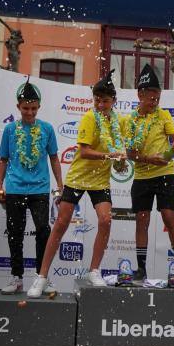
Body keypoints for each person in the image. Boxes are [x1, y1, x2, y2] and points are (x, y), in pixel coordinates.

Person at [27, 71, 126, 297]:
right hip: (78, 178)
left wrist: (120, 161)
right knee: (61, 224)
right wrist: (111, 157)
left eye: (105, 100)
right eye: (97, 100)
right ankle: (41, 277)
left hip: (100, 180)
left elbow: (120, 151)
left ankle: (94, 270)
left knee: (105, 220)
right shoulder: (90, 118)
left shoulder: (118, 121)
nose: (100, 104)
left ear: (114, 101)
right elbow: (85, 151)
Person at [0, 78, 62, 294]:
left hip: (40, 189)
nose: (30, 113)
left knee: (43, 230)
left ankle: (41, 276)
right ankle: (16, 277)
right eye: (26, 108)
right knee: (15, 232)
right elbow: (3, 159)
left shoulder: (47, 129)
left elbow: (53, 158)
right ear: (18, 107)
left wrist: (60, 186)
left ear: (39, 107)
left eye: (33, 108)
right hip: (14, 187)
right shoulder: (9, 130)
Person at [125, 64, 174, 287]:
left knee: (169, 217)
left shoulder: (164, 115)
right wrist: (149, 159)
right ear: (140, 94)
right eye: (151, 96)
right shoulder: (130, 120)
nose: (155, 101)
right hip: (142, 177)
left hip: (165, 175)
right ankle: (141, 268)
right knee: (142, 221)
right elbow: (130, 154)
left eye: (158, 96)